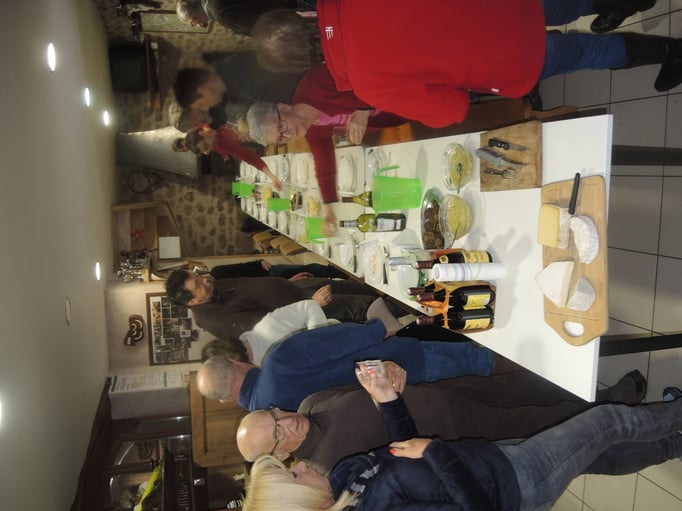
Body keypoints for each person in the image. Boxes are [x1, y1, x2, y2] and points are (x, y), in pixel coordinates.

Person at [242, 366, 682, 511]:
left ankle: (674, 442)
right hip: (516, 484)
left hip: (489, 459)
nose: (299, 467)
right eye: (292, 475)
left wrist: (389, 401)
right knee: (607, 422)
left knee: (598, 454)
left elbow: (406, 450)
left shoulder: (345, 477)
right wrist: (437, 451)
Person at [250, 0, 681, 130]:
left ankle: (671, 51)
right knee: (569, 2)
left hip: (509, 58)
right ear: (303, 13)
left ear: (306, 64)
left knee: (589, 52)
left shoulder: (368, 85)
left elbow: (452, 109)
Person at [235, 369, 647, 471]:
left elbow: (365, 385)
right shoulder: (331, 466)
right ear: (279, 454)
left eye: (273, 413)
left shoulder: (308, 403)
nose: (286, 420)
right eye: (277, 432)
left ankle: (592, 391)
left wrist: (389, 369)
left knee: (525, 385)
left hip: (443, 390)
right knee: (536, 421)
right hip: (454, 430)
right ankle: (614, 402)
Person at [196, 318, 501, 411]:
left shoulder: (267, 421)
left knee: (480, 395)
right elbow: (339, 339)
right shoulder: (276, 361)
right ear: (235, 361)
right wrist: (378, 328)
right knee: (484, 360)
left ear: (225, 399)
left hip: (400, 404)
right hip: (404, 364)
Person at [247, 64, 407, 233]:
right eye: (281, 139)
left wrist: (363, 109)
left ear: (283, 107)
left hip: (400, 84)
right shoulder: (313, 129)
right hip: (398, 113)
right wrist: (329, 211)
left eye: (281, 127)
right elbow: (324, 164)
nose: (288, 135)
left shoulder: (315, 84)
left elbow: (364, 68)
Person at [164, 269, 392, 339]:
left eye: (198, 276)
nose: (204, 279)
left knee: (365, 289)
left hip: (299, 289)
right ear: (192, 301)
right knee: (371, 305)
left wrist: (285, 283)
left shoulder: (211, 288)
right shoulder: (217, 321)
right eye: (198, 284)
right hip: (312, 307)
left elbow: (251, 287)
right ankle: (412, 309)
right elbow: (274, 328)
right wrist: (312, 305)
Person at [172, 124, 283, 190]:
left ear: (202, 133)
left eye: (206, 146)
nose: (210, 148)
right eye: (206, 150)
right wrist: (272, 176)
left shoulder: (212, 117)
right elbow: (249, 157)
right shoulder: (219, 144)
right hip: (266, 129)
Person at [175, 0, 297, 35]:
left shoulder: (223, 15)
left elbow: (263, 28)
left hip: (289, 7)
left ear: (195, 20)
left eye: (193, 24)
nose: (198, 25)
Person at [207, 259, 348, 280]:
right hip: (272, 281)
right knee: (309, 277)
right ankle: (342, 275)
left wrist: (259, 262)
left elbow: (241, 266)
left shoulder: (216, 272)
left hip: (269, 271)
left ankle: (341, 273)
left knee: (308, 269)